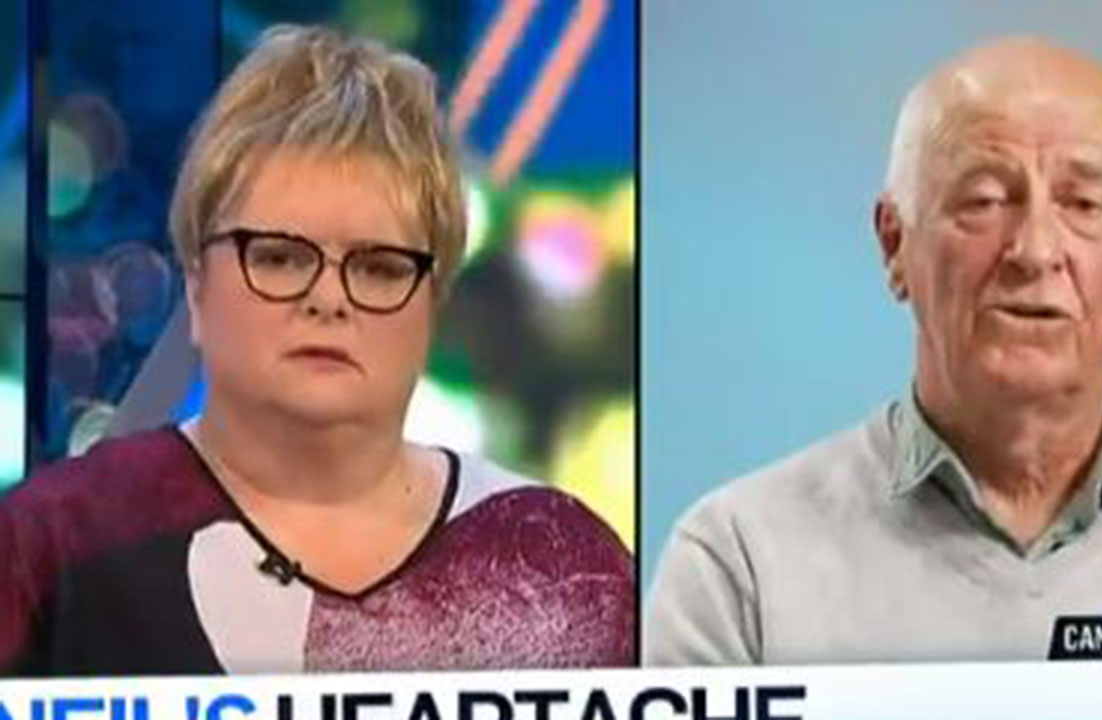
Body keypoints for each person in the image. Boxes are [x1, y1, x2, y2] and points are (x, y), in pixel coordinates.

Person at [645, 37, 1102, 686]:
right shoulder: (741, 565)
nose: (1035, 250)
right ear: (894, 242)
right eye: (984, 201)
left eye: (1083, 204)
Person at [0, 25, 634, 675]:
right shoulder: (47, 551)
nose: (329, 299)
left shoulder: (564, 570)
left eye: (380, 267)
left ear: (433, 305)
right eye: (279, 257)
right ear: (196, 286)